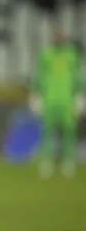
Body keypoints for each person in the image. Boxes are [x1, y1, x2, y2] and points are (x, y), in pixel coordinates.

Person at [30, 25, 86, 178]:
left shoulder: (72, 55)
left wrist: (80, 95)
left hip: (67, 100)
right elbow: (40, 76)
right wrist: (36, 95)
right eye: (56, 36)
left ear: (64, 38)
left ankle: (68, 161)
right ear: (53, 38)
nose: (58, 38)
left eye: (60, 36)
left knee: (69, 131)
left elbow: (77, 76)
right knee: (47, 132)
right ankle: (46, 161)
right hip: (50, 99)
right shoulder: (46, 55)